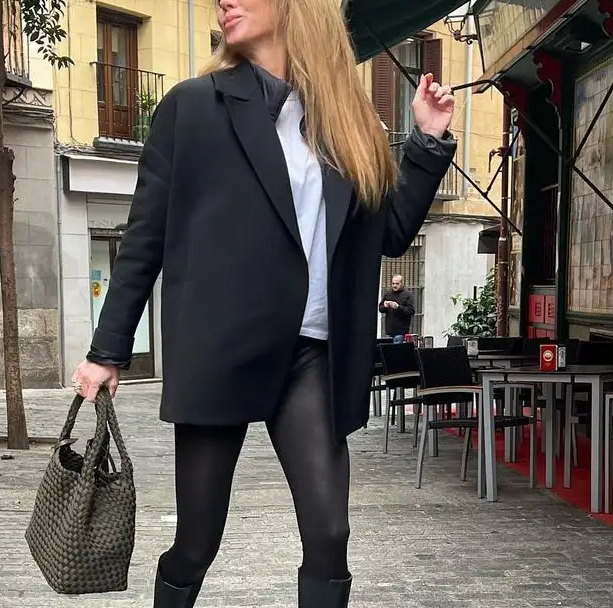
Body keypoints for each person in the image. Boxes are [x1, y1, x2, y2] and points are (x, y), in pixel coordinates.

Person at [71, 0, 456, 605]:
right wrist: (107, 350)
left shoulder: (346, 123)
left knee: (330, 533)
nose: (227, 0)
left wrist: (428, 140)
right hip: (222, 349)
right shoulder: (193, 108)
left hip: (311, 357)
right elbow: (145, 239)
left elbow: (389, 233)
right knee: (197, 541)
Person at [379, 274, 417, 341]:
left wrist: (398, 307)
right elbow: (380, 309)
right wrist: (385, 306)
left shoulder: (407, 295)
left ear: (402, 283)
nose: (394, 285)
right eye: (393, 283)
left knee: (397, 346)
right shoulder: (388, 294)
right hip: (389, 332)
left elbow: (411, 311)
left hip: (401, 331)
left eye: (397, 284)